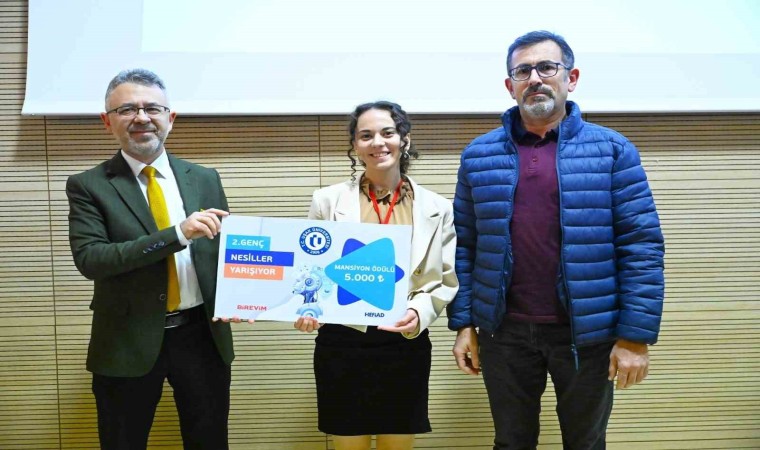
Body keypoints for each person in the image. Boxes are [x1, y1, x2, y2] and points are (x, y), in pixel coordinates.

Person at [448, 30, 665, 450]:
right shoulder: (478, 155)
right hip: (503, 333)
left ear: (572, 77)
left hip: (587, 334)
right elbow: (465, 246)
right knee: (511, 442)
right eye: (523, 71)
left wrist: (635, 337)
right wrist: (464, 324)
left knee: (586, 443)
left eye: (547, 67)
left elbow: (641, 246)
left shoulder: (613, 151)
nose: (535, 79)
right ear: (509, 85)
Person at [66, 68, 234, 450]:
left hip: (202, 337)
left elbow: (223, 252)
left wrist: (238, 297)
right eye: (127, 109)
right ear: (107, 121)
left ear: (170, 118)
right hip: (126, 340)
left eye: (152, 108)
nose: (141, 117)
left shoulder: (204, 178)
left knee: (210, 442)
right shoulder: (88, 185)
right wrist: (177, 234)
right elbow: (92, 259)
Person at [294, 101, 459, 450]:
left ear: (404, 140)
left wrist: (419, 313)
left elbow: (443, 279)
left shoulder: (438, 208)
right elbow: (312, 269)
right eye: (366, 135)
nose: (378, 143)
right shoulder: (326, 200)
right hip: (343, 341)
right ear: (355, 145)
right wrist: (309, 307)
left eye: (388, 133)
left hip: (404, 341)